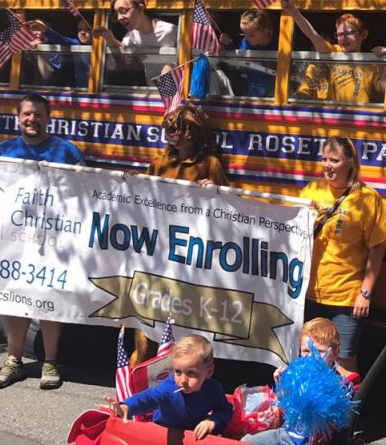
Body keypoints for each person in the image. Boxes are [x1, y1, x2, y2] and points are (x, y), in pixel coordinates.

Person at [0, 93, 83, 390]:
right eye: (27, 114)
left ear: (48, 118)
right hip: (13, 239)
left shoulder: (66, 151)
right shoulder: (3, 150)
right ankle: (14, 360)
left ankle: (50, 361)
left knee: (49, 296)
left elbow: (84, 192)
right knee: (13, 296)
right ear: (18, 118)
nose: (32, 119)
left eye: (38, 115)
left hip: (54, 238)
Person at [132, 103, 228, 365]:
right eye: (170, 129)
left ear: (195, 133)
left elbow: (231, 210)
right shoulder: (159, 163)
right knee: (144, 329)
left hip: (191, 261)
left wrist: (216, 190)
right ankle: (136, 384)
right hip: (157, 256)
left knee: (184, 332)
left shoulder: (210, 164)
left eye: (181, 129)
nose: (175, 134)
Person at [300, 136, 386, 372]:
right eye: (324, 159)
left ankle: (345, 410)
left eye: (334, 160)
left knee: (344, 363)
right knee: (308, 359)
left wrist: (366, 293)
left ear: (350, 163)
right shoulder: (312, 190)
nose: (327, 166)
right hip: (309, 293)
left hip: (346, 298)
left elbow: (378, 246)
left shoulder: (367, 198)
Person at [242, 317, 360, 445]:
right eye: (306, 351)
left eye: (319, 351)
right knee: (246, 441)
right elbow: (284, 413)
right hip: (285, 434)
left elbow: (338, 422)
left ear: (336, 352)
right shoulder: (297, 375)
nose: (311, 356)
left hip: (312, 441)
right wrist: (283, 387)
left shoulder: (343, 384)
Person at [101, 334, 233, 439]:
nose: (183, 380)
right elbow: (149, 397)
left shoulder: (213, 389)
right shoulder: (169, 389)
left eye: (191, 373)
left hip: (193, 436)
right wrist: (126, 407)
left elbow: (225, 410)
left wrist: (212, 420)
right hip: (163, 435)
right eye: (178, 372)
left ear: (209, 372)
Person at [281, 0, 386, 104]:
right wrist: (293, 11)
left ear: (363, 35)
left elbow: (384, 88)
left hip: (359, 115)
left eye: (348, 33)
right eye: (340, 34)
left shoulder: (371, 63)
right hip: (334, 113)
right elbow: (312, 35)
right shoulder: (335, 52)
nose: (343, 38)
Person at [93, 0, 178, 83]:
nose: (119, 17)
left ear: (141, 9)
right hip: (151, 91)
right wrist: (108, 36)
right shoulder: (132, 34)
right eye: (116, 13)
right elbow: (121, 51)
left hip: (176, 91)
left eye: (123, 11)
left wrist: (168, 69)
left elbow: (187, 58)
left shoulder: (169, 30)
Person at [219, 8, 278, 97]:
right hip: (252, 92)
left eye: (251, 34)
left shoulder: (280, 43)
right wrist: (228, 44)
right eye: (243, 34)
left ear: (265, 31)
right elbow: (238, 61)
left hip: (275, 91)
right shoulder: (245, 43)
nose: (246, 38)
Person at [26, 19, 92, 88]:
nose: (82, 32)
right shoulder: (75, 43)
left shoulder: (101, 45)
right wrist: (45, 30)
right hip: (79, 90)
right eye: (79, 30)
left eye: (87, 29)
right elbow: (61, 39)